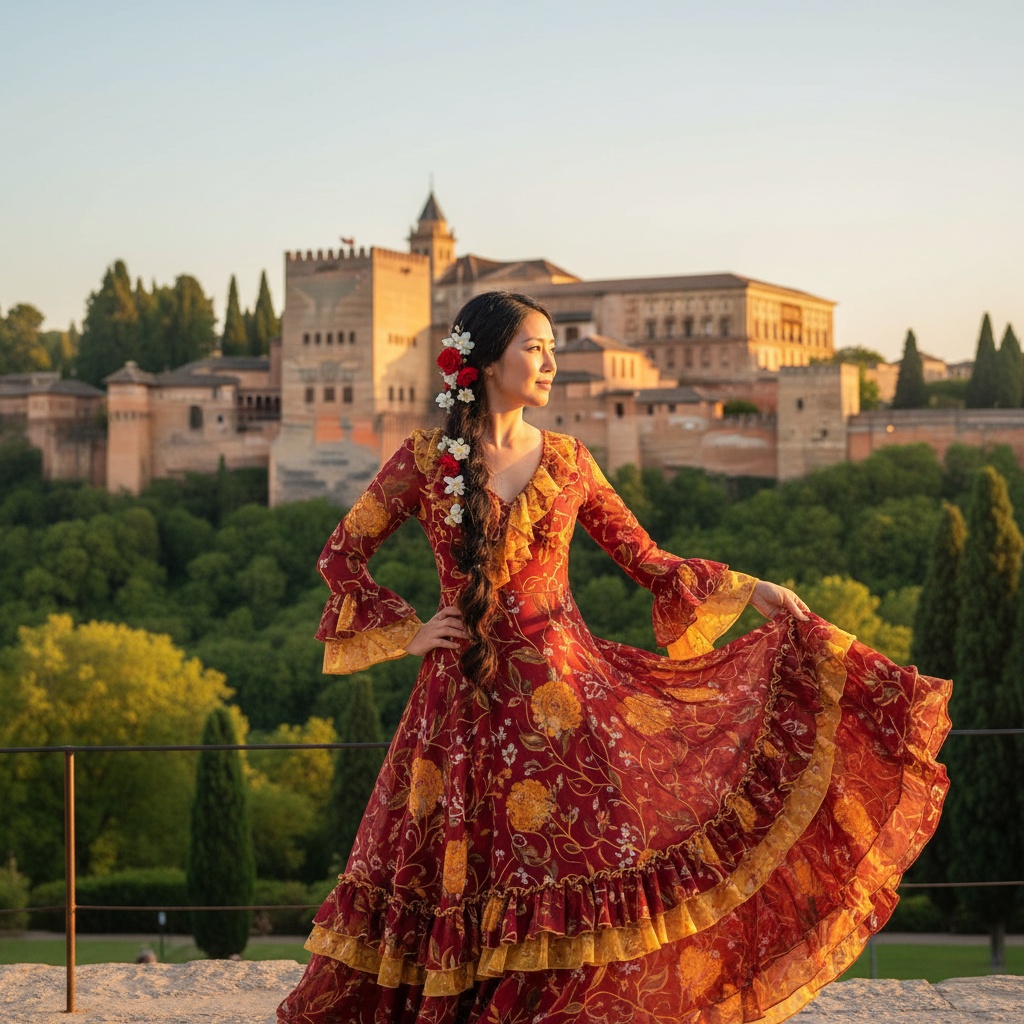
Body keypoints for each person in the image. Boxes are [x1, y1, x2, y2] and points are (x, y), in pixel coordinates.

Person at [278, 291, 950, 1024]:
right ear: (485, 358)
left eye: (553, 350)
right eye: (535, 348)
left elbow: (647, 558)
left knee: (588, 858)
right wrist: (407, 633)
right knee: (458, 868)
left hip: (566, 701)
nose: (551, 364)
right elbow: (341, 553)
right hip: (459, 705)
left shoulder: (568, 461)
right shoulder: (423, 459)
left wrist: (751, 588)